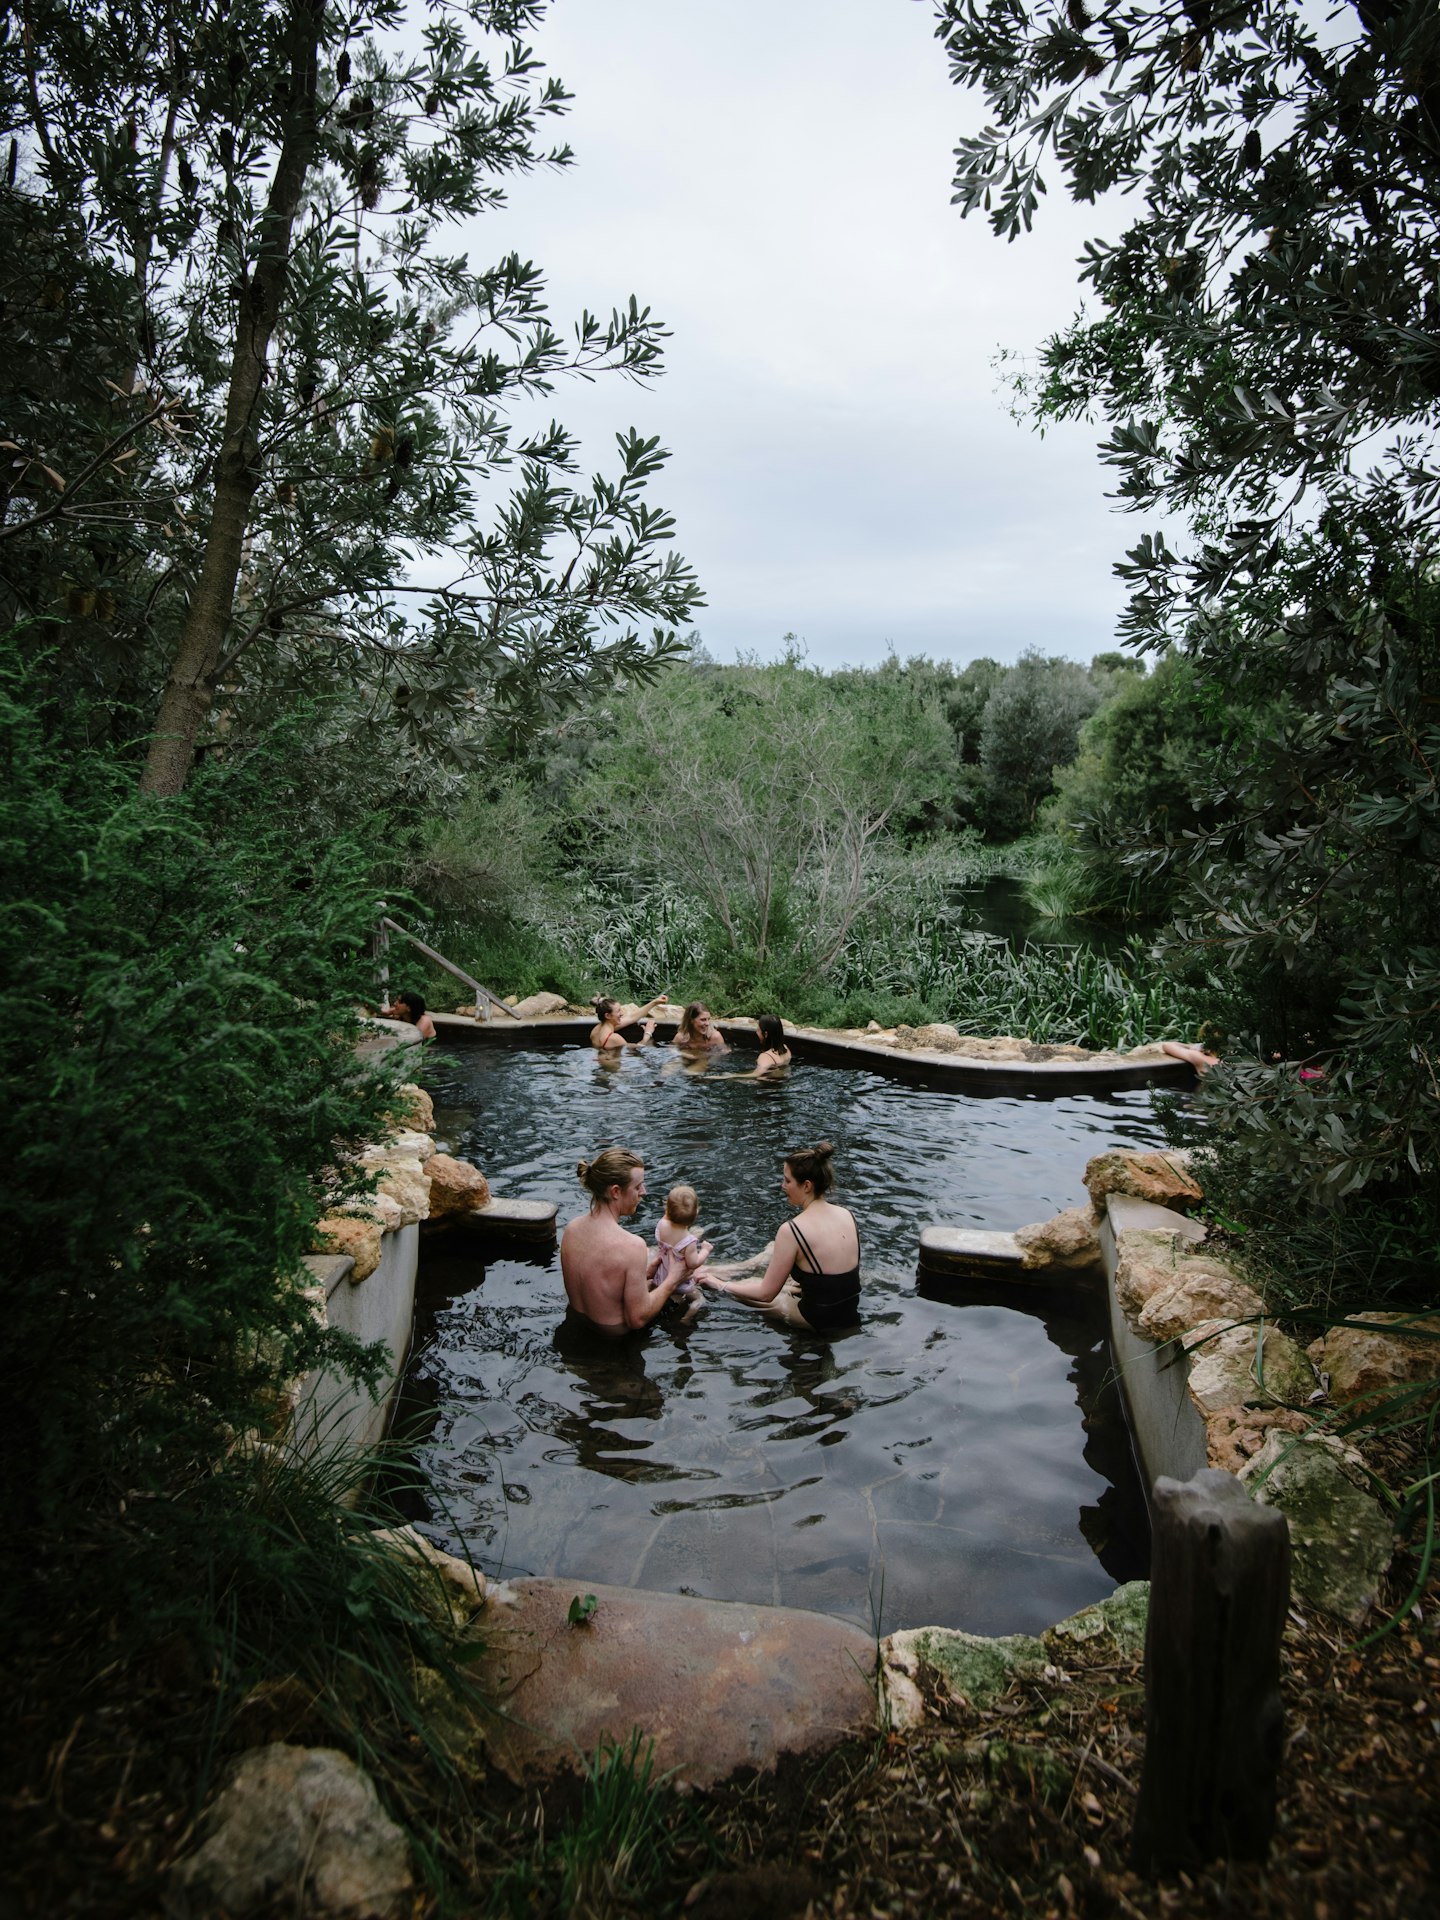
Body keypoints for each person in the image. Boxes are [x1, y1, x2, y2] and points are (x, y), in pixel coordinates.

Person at [701, 1140, 860, 1332]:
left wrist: (720, 1285)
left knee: (745, 1286)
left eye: (787, 1180)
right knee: (787, 1283)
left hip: (818, 1320)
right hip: (850, 1313)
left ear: (807, 1186)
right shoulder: (847, 1215)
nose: (782, 1185)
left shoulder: (792, 1229)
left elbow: (765, 1295)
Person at [560, 1148, 690, 1334]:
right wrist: (673, 1280)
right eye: (638, 1187)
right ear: (615, 1191)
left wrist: (645, 1274)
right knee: (686, 1289)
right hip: (616, 1342)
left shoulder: (572, 1228)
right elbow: (637, 1319)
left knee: (658, 1271)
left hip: (578, 1328)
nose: (643, 1192)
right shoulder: (632, 1245)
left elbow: (604, 1283)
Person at [653, 1184, 713, 1299]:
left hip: (660, 1275)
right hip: (680, 1283)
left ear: (667, 1209)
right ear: (696, 1213)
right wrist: (706, 1250)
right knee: (699, 1300)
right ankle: (687, 1317)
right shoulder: (689, 1242)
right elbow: (693, 1263)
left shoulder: (662, 1224)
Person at [589, 996, 658, 1051]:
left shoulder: (595, 1031)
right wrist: (648, 1033)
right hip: (613, 1068)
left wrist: (655, 1002)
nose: (622, 1014)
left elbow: (632, 1017)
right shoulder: (614, 1038)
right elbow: (638, 1048)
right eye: (618, 1011)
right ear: (608, 1016)